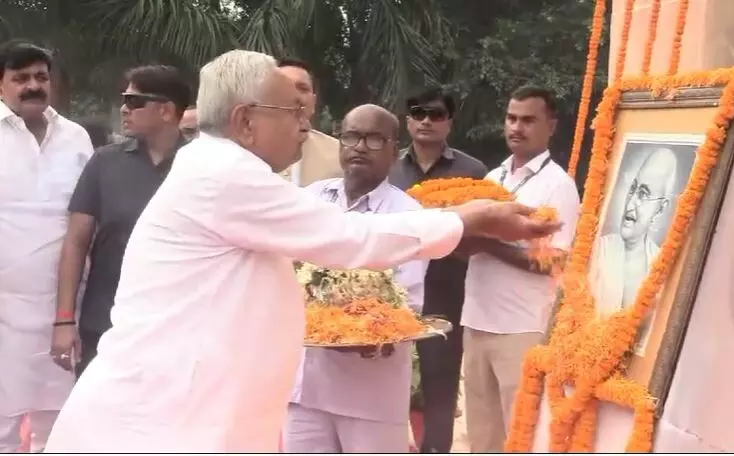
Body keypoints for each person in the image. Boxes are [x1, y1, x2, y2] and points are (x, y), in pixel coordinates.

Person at [43, 50, 561, 453]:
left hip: (189, 413)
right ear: (246, 120)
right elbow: (349, 238)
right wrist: (466, 218)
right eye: (291, 112)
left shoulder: (222, 168)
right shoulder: (225, 175)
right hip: (165, 421)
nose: (305, 125)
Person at [285, 104, 427, 453]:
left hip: (371, 399)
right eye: (351, 136)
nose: (360, 146)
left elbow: (402, 303)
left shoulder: (408, 215)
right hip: (305, 391)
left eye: (374, 139)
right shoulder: (311, 199)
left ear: (395, 151)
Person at [458, 86, 580, 452]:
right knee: (481, 437)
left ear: (550, 126)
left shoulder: (558, 185)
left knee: (523, 436)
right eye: (511, 118)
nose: (517, 127)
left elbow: (557, 261)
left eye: (528, 120)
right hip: (476, 319)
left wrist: (490, 246)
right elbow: (474, 249)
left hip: (523, 328)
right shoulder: (494, 179)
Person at [52, 65, 193, 378]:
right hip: (105, 324)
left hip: (179, 328)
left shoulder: (201, 165)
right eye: (123, 100)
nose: (124, 109)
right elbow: (75, 243)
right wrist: (64, 320)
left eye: (134, 101)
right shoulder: (104, 162)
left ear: (166, 110)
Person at [0, 40, 94, 453]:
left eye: (40, 77)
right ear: (1, 85)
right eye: (21, 78)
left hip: (63, 309)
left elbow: (88, 216)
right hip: (3, 310)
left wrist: (67, 315)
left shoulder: (75, 137)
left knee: (56, 425)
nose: (33, 85)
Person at [388, 86, 487, 453]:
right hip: (394, 295)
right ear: (407, 120)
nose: (426, 120)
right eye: (418, 112)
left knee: (440, 386)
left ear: (449, 122)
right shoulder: (390, 168)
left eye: (436, 114)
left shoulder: (472, 171)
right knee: (387, 383)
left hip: (448, 290)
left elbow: (482, 235)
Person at [590, 147, 678, 354]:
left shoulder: (663, 266)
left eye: (644, 194)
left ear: (661, 209)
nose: (631, 203)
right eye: (633, 189)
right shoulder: (599, 250)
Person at [277, 57, 341, 186]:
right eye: (283, 87)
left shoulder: (340, 156)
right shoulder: (243, 153)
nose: (294, 96)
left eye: (302, 88)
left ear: (313, 102)